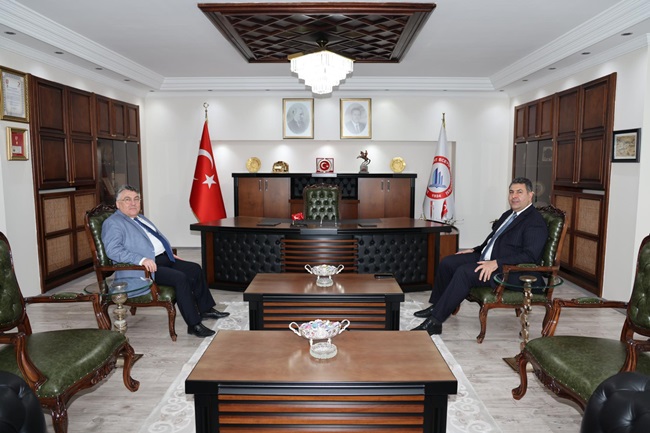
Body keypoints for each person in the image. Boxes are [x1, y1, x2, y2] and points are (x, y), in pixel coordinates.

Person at [411, 177, 548, 335]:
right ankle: (437, 306)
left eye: (519, 192)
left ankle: (435, 322)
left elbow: (530, 256)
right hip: (490, 258)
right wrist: (475, 249)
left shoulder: (534, 221)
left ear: (530, 195)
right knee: (448, 262)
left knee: (464, 273)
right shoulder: (509, 214)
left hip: (512, 271)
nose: (514, 196)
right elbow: (494, 239)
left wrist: (496, 263)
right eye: (511, 192)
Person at [102, 185, 229, 338]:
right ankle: (194, 324)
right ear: (118, 204)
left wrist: (169, 253)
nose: (133, 203)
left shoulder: (140, 218)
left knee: (195, 269)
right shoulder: (113, 223)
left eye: (136, 199)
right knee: (180, 278)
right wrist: (141, 260)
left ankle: (205, 309)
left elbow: (154, 240)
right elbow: (113, 250)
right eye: (127, 200)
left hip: (162, 258)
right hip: (142, 268)